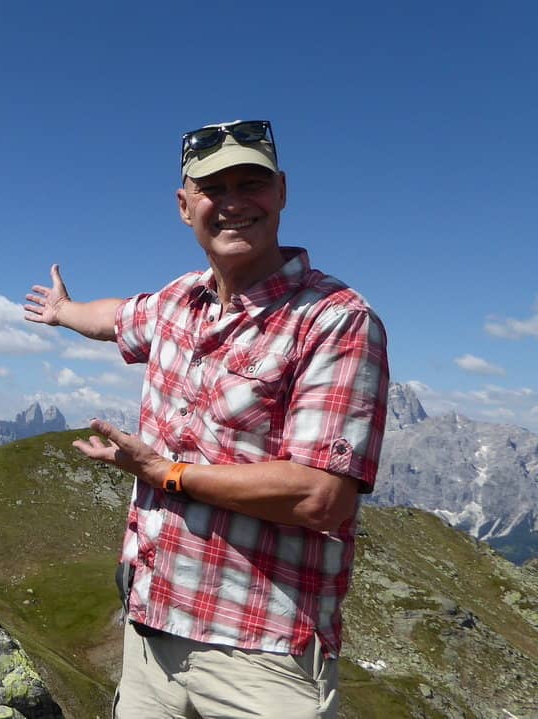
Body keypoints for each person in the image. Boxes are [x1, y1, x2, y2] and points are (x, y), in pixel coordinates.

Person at [23, 119, 388, 719]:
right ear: (184, 205)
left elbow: (322, 497)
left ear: (282, 193)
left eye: (254, 184)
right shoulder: (176, 303)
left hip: (262, 662)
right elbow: (116, 316)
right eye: (215, 189)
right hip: (150, 643)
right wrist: (64, 312)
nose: (235, 203)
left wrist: (166, 473)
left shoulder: (334, 320)